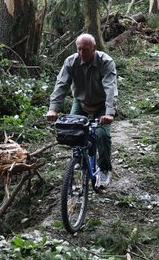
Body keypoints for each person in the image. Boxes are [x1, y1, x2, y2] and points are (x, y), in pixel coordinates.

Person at [45, 33, 118, 188]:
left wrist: (109, 113)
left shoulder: (106, 62)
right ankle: (78, 159)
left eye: (85, 50)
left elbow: (110, 88)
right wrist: (53, 109)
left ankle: (104, 170)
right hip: (81, 101)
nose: (82, 53)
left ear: (94, 48)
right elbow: (61, 85)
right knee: (73, 131)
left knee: (102, 135)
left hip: (102, 104)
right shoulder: (71, 62)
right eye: (79, 49)